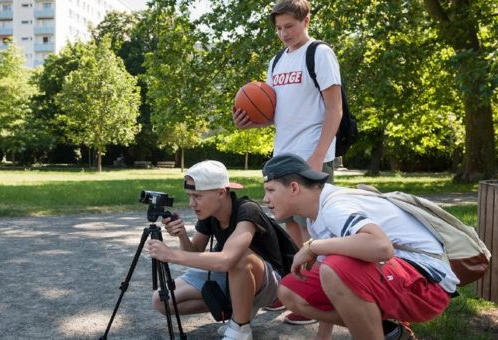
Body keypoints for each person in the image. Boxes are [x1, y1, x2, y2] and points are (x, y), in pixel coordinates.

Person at [261, 154, 459, 340]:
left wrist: (313, 246)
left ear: (294, 188)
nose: (265, 198)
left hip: (428, 285)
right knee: (290, 290)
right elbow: (332, 286)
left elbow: (381, 246)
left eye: (270, 190)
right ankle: (389, 332)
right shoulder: (317, 214)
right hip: (398, 275)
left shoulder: (334, 207)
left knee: (334, 268)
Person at [233, 0, 344, 324]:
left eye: (289, 27)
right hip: (283, 153)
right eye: (278, 28)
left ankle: (322, 297)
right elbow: (276, 113)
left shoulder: (319, 53)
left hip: (312, 153)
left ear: (306, 19)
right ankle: (300, 287)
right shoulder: (276, 61)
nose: (283, 34)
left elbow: (333, 109)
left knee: (318, 226)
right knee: (289, 224)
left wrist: (318, 156)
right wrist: (251, 122)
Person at [145, 160, 284, 340]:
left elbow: (227, 259)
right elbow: (195, 254)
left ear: (220, 192)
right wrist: (182, 235)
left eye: (197, 196)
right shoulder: (209, 213)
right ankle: (238, 310)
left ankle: (240, 328)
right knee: (161, 301)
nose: (191, 203)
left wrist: (171, 255)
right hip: (232, 274)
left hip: (269, 282)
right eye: (189, 196)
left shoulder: (247, 210)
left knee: (239, 257)